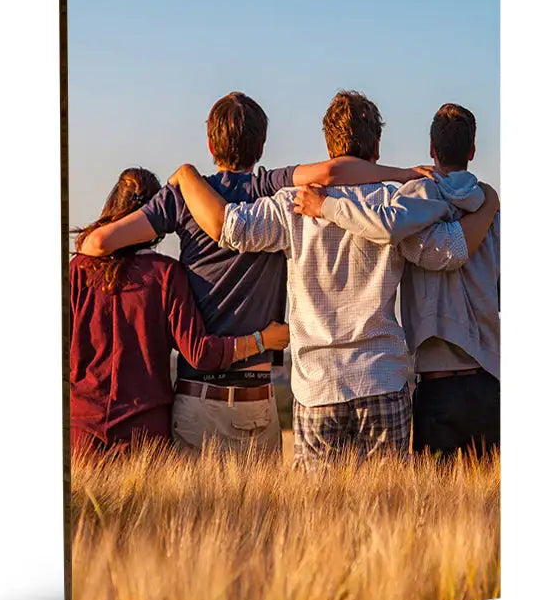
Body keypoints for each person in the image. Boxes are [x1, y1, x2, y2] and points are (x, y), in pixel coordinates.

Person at [78, 92, 430, 456]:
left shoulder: (182, 197)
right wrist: (404, 173)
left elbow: (99, 243)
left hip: (199, 394)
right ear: (261, 146)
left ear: (210, 143)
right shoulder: (270, 187)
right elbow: (330, 171)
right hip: (260, 394)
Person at [168, 91, 498, 467]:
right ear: (376, 147)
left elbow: (230, 228)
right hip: (382, 378)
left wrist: (186, 176)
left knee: (320, 512)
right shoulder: (395, 204)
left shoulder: (292, 203)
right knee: (387, 515)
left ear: (329, 146)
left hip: (317, 386)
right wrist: (487, 202)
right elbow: (448, 252)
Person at [294, 103, 500, 458]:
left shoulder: (414, 204)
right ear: (473, 151)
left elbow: (426, 243)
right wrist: (490, 204)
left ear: (432, 150)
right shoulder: (493, 215)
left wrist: (326, 207)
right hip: (491, 382)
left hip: (437, 387)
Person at [70, 167, 289, 453]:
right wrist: (263, 340)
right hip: (145, 434)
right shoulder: (165, 275)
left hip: (80, 430)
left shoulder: (76, 272)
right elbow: (200, 353)